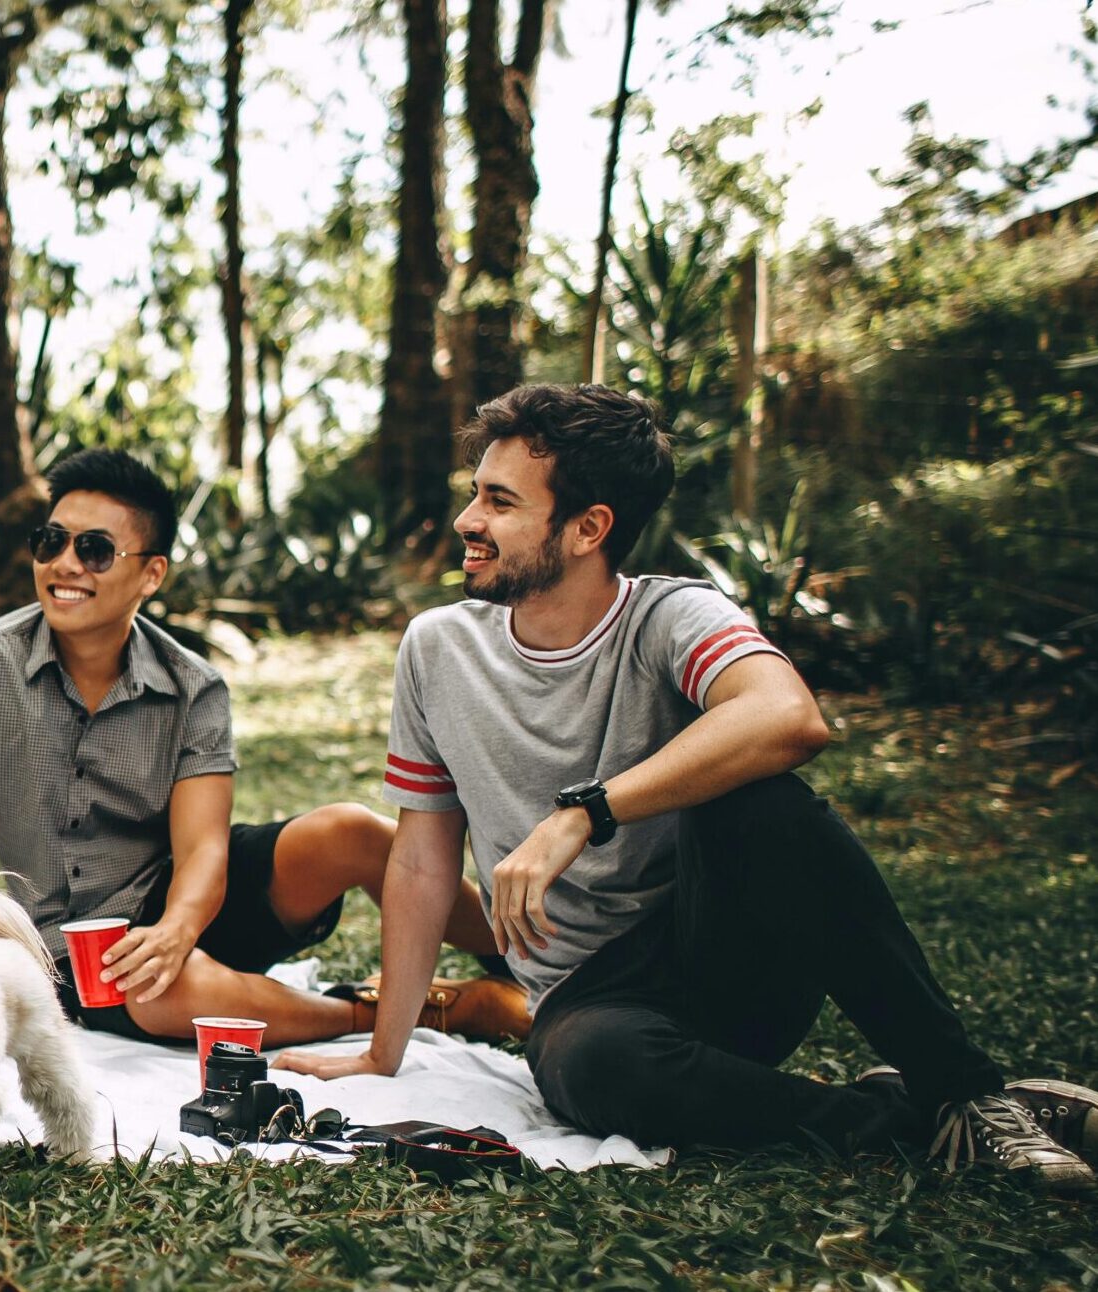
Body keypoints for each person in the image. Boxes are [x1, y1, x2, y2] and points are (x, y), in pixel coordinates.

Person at [276, 383, 1097, 1196]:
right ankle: (909, 1118)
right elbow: (421, 861)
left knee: (760, 798)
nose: (467, 521)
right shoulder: (438, 649)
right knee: (595, 1071)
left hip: (728, 956)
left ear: (590, 526)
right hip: (588, 1002)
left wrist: (584, 812)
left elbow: (787, 716)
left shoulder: (672, 616)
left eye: (498, 501)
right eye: (473, 495)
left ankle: (963, 1089)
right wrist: (384, 1053)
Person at [0, 447, 526, 1047]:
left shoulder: (193, 686)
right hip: (75, 948)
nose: (65, 564)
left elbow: (204, 847)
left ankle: (535, 965)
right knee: (160, 993)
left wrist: (176, 929)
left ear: (151, 573)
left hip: (188, 898)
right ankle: (417, 1009)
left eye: (93, 550)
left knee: (352, 831)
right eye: (51, 542)